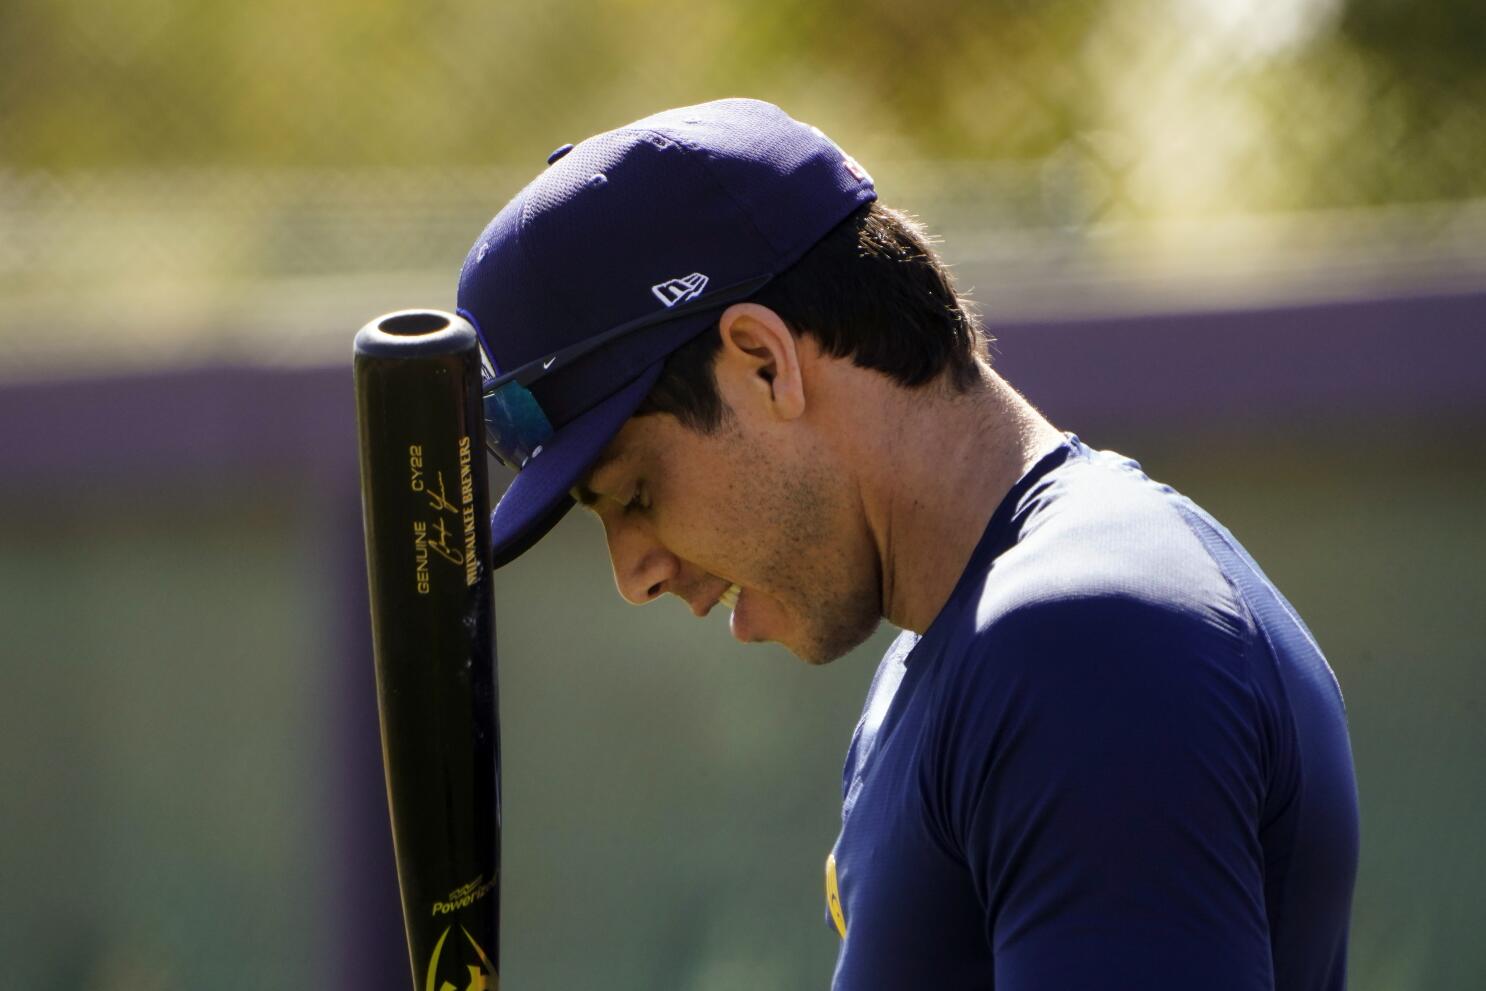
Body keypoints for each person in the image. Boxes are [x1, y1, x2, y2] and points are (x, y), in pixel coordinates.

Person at [459, 98, 1360, 989]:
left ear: (765, 363)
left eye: (636, 494)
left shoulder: (1085, 641)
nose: (634, 573)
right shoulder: (949, 662)